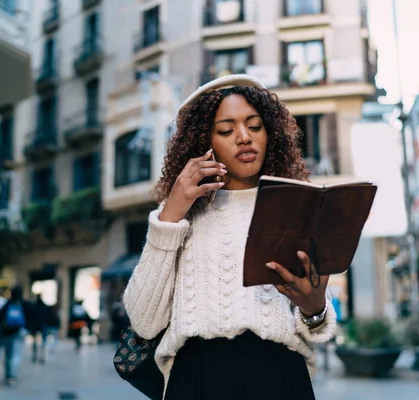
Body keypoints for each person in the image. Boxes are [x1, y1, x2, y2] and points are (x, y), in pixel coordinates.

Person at [123, 75, 336, 400]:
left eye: (255, 126)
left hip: (281, 379)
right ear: (203, 142)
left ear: (271, 134)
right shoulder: (180, 213)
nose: (243, 137)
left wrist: (314, 308)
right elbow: (144, 321)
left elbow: (318, 327)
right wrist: (171, 216)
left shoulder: (295, 209)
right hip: (197, 381)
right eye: (226, 130)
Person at [0, 286, 29, 386]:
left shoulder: (6, 304)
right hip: (18, 332)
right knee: (16, 354)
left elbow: (0, 318)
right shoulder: (24, 304)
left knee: (7, 355)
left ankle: (8, 375)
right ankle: (13, 375)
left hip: (6, 333)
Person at [29, 294, 50, 363]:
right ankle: (42, 356)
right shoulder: (45, 307)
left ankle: (35, 355)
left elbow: (31, 316)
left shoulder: (33, 306)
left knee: (35, 341)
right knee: (44, 342)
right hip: (43, 325)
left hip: (36, 325)